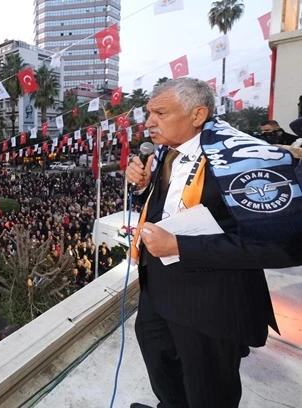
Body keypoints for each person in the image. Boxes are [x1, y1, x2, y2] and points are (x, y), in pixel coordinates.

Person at [126, 77, 302, 408]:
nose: (148, 122)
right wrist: (141, 188)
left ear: (198, 114)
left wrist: (182, 247)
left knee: (208, 391)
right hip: (158, 290)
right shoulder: (166, 152)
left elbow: (288, 246)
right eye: (148, 113)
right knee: (161, 367)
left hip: (209, 302)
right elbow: (167, 208)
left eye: (160, 113)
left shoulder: (247, 159)